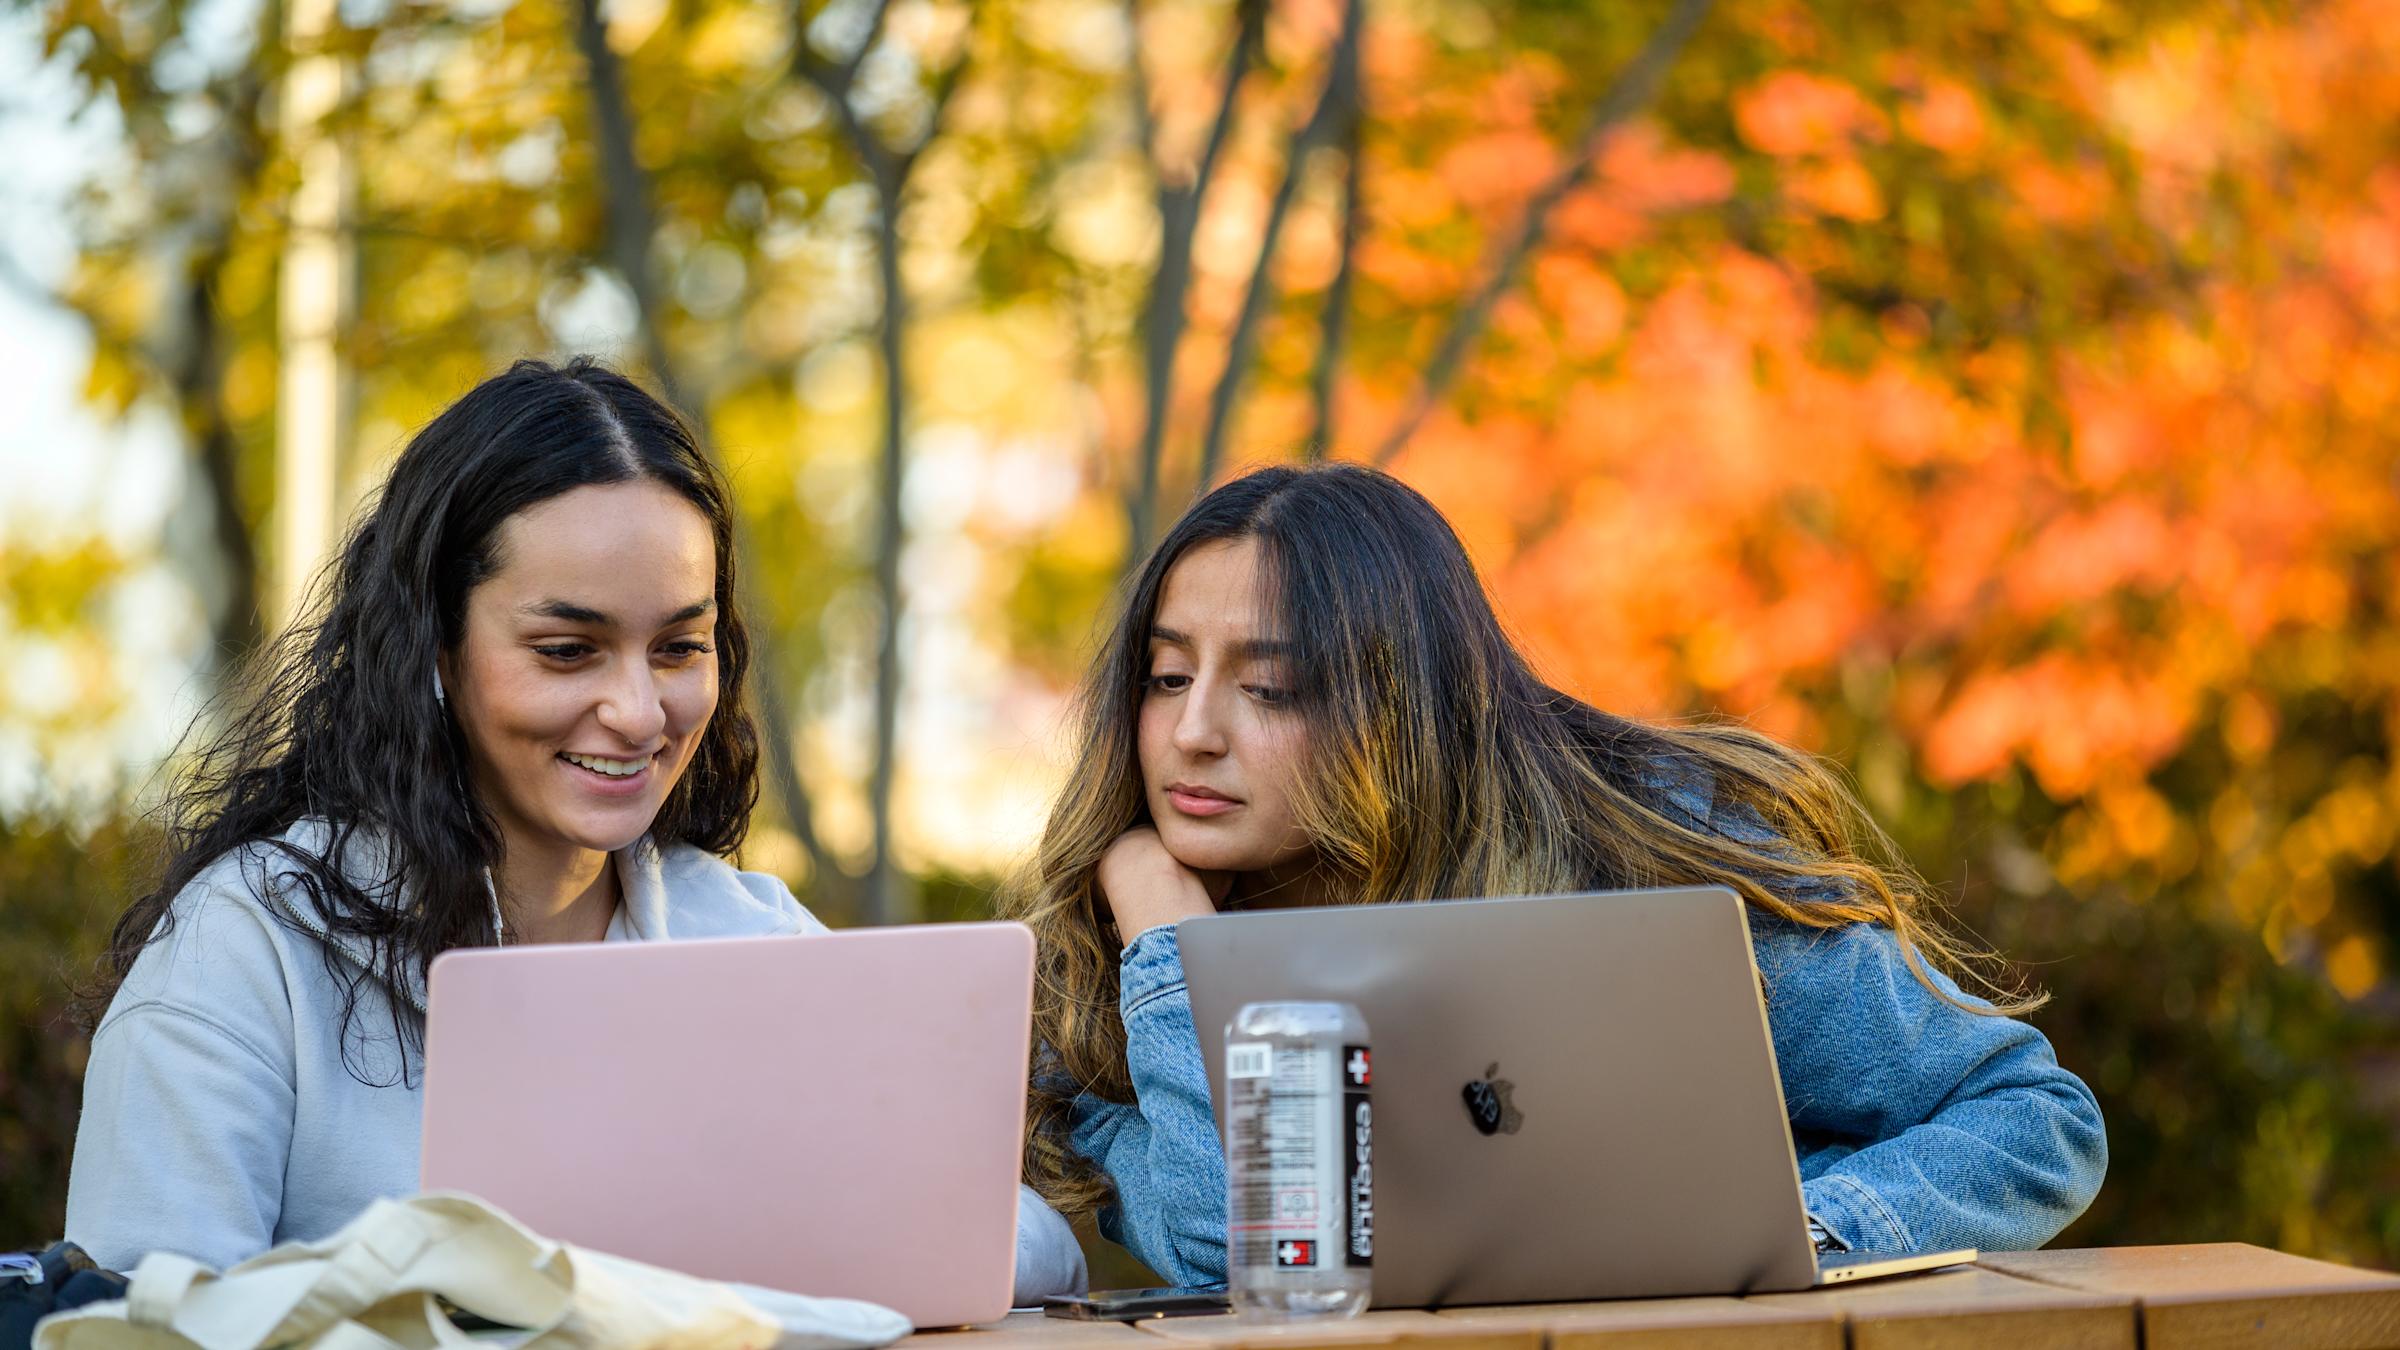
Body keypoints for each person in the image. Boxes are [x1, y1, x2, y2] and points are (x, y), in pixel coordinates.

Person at [67, 358, 1086, 1300]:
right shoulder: (249, 948)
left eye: (679, 646)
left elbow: (1032, 1246)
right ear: (430, 646)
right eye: (567, 650)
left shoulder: (748, 940)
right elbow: (136, 1315)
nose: (640, 713)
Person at [1000, 462, 2107, 1288]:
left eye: (1273, 690)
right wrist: (1164, 948)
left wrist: (1791, 1238)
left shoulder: (1643, 857)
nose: (1191, 732)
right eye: (1167, 676)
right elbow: (1230, 1255)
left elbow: (2033, 1117)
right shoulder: (1119, 975)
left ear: (1402, 710)